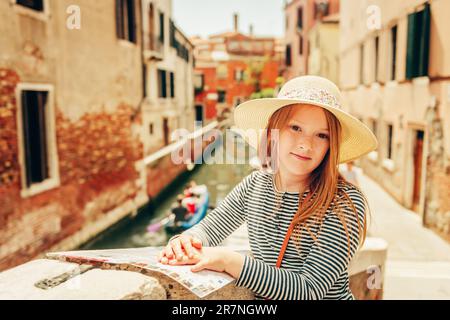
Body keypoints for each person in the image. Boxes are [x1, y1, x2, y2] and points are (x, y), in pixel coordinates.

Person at [157, 76, 377, 300]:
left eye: (322, 135)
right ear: (275, 130)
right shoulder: (254, 185)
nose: (305, 144)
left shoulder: (344, 202)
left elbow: (309, 290)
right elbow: (209, 230)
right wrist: (185, 241)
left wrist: (228, 260)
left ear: (332, 145)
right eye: (295, 128)